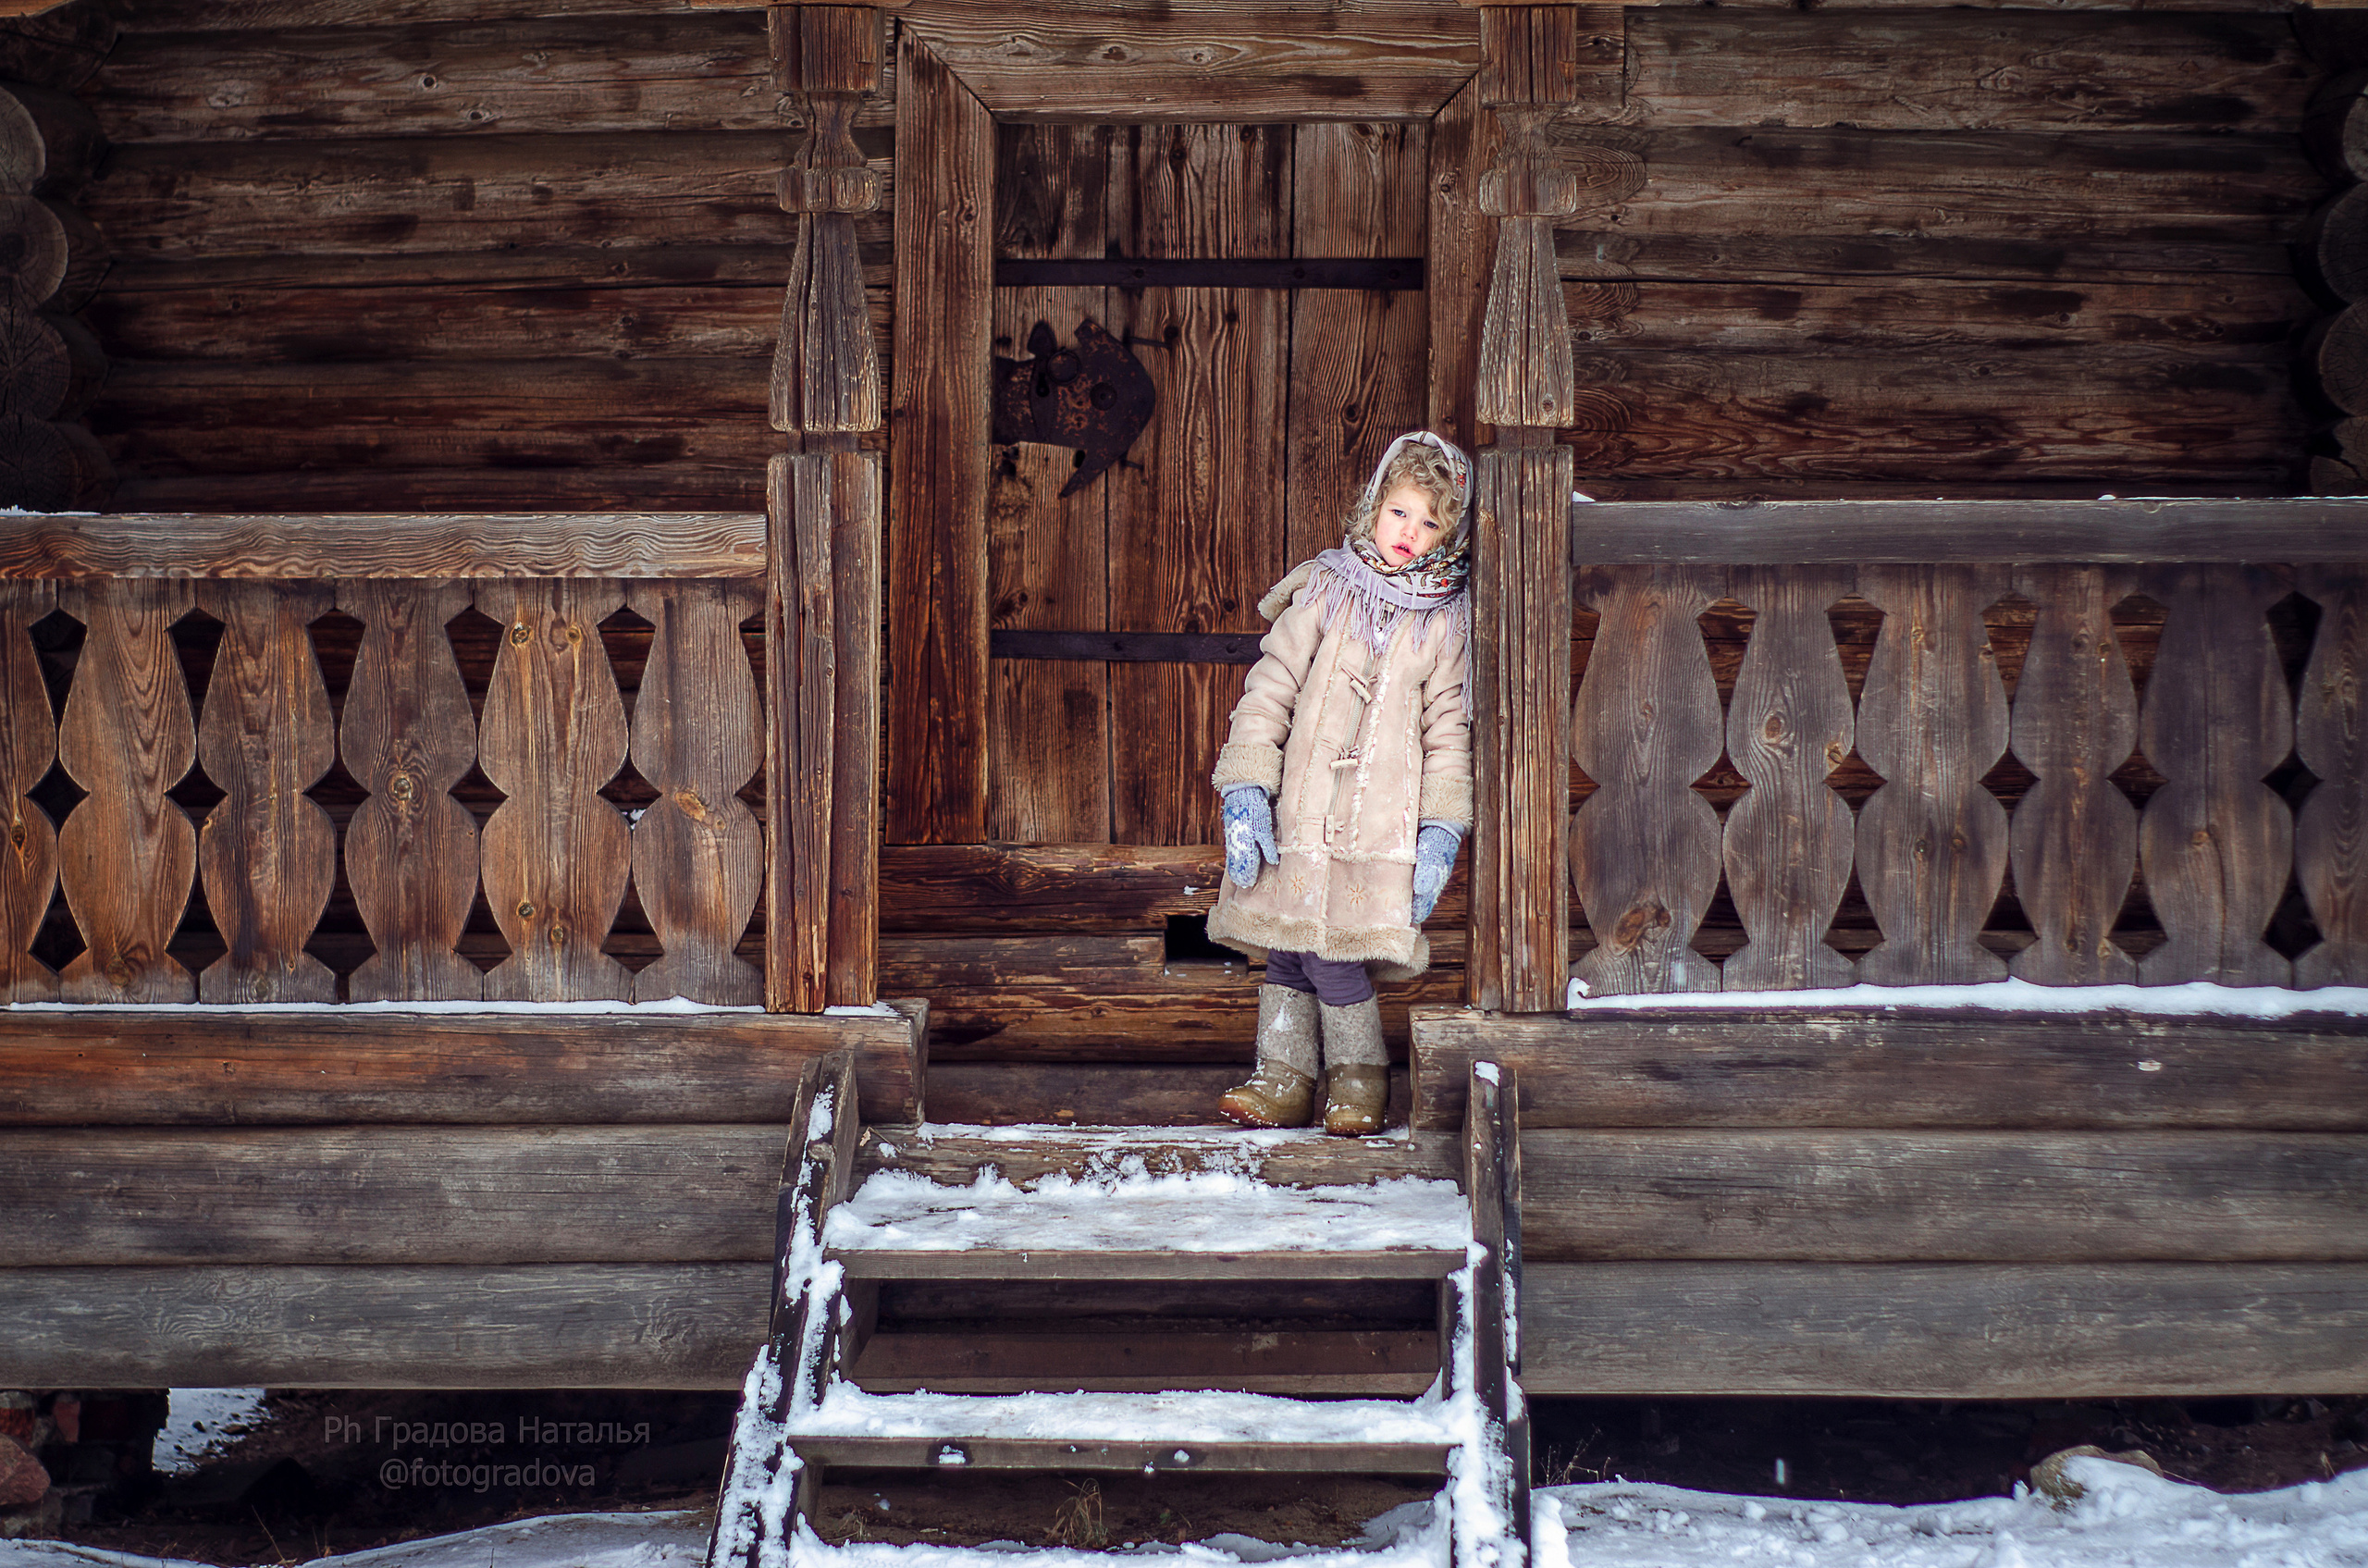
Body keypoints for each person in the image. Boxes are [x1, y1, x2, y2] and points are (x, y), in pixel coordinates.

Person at [1204, 430, 1474, 1136]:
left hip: (1374, 828)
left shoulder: (1445, 623)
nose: (1410, 532)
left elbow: (1449, 729)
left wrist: (1441, 828)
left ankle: (1359, 1077)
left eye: (1430, 521)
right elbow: (1271, 687)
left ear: (1449, 533)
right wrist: (1245, 786)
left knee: (1338, 951)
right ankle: (1283, 1078)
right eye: (1399, 513)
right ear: (1373, 507)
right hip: (1302, 815)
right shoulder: (1324, 589)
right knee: (1292, 948)